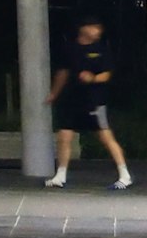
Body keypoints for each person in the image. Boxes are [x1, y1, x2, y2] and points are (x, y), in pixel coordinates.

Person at [45, 15, 131, 190]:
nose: (97, 31)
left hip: (95, 101)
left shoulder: (101, 49)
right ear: (83, 28)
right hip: (72, 100)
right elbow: (63, 73)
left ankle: (125, 175)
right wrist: (54, 93)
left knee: (105, 137)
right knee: (64, 136)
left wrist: (92, 78)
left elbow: (107, 74)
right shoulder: (70, 49)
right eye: (93, 27)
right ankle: (60, 176)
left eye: (98, 28)